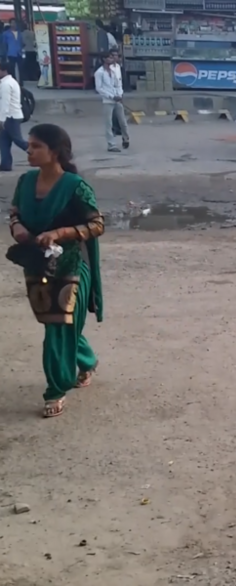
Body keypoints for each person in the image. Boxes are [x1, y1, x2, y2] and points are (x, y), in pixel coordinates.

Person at [6, 123, 104, 418]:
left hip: (71, 266)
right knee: (59, 324)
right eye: (30, 145)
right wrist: (18, 228)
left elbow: (97, 225)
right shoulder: (26, 181)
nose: (29, 150)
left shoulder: (75, 186)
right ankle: (87, 360)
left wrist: (60, 232)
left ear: (55, 151)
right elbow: (14, 212)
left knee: (57, 327)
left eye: (36, 146)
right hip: (37, 263)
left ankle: (55, 390)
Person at [94, 52, 129, 152]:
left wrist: (120, 95)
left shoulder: (114, 70)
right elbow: (99, 88)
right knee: (108, 123)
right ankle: (111, 145)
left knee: (123, 121)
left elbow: (118, 84)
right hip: (107, 100)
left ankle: (125, 138)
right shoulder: (99, 72)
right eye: (109, 58)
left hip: (117, 99)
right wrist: (111, 96)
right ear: (104, 59)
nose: (112, 59)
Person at [0, 59, 28, 171]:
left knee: (18, 140)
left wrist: (1, 119)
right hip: (12, 115)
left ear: (3, 70)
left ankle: (40, 152)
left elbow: (4, 103)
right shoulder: (10, 82)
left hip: (10, 117)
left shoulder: (6, 84)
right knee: (4, 141)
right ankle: (5, 164)